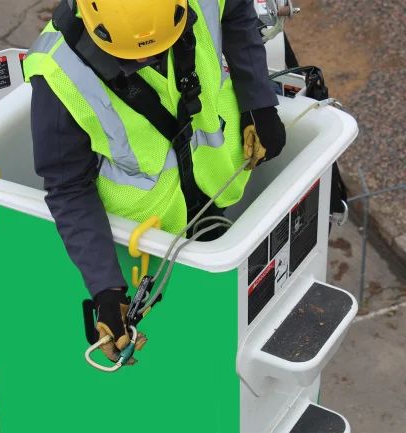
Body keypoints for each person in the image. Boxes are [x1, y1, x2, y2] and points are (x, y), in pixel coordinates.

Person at [24, 0, 286, 364]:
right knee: (182, 352)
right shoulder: (57, 72)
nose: (151, 62)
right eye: (132, 60)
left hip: (215, 194)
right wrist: (106, 288)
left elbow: (238, 13)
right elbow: (68, 186)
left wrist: (258, 102)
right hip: (143, 242)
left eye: (163, 47)